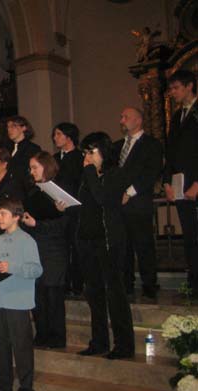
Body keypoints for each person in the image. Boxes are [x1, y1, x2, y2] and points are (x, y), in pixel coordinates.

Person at [60, 132, 135, 359]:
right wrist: (66, 205)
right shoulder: (88, 176)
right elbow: (86, 205)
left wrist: (90, 172)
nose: (87, 158)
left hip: (108, 240)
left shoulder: (116, 174)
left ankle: (124, 345)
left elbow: (104, 199)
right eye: (85, 153)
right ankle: (99, 341)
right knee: (94, 293)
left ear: (104, 152)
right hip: (87, 240)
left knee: (115, 293)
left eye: (91, 152)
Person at [0, 199, 42, 391]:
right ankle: (3, 389)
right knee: (0, 349)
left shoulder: (27, 241)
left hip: (18, 303)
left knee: (22, 350)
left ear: (16, 216)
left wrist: (13, 267)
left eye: (3, 214)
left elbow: (37, 270)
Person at [116, 107, 163, 298]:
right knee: (123, 246)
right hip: (118, 205)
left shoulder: (151, 144)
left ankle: (149, 284)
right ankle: (126, 283)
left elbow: (151, 172)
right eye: (121, 117)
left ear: (138, 120)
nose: (122, 120)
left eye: (125, 117)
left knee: (143, 245)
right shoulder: (118, 145)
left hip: (139, 203)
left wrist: (129, 192)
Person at [24, 152, 67, 349]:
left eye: (35, 167)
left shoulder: (59, 190)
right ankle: (41, 334)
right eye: (31, 168)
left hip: (54, 248)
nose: (31, 171)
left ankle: (56, 337)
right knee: (38, 293)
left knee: (53, 293)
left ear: (46, 167)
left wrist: (37, 224)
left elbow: (63, 224)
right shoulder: (33, 191)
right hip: (35, 246)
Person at [163, 70, 198, 296]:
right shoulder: (177, 117)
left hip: (195, 183)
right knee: (190, 236)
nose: (172, 93)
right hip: (180, 184)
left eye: (176, 88)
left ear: (189, 86)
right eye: (171, 88)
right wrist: (167, 182)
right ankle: (194, 282)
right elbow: (171, 151)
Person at [52, 122, 84, 297]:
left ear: (69, 136)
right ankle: (63, 283)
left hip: (76, 210)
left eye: (58, 134)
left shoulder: (80, 157)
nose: (55, 138)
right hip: (58, 210)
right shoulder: (54, 158)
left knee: (76, 247)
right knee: (61, 248)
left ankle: (78, 284)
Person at [5, 116, 41, 195]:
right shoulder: (7, 148)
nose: (9, 129)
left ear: (24, 128)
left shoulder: (32, 148)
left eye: (13, 126)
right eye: (8, 127)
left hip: (25, 192)